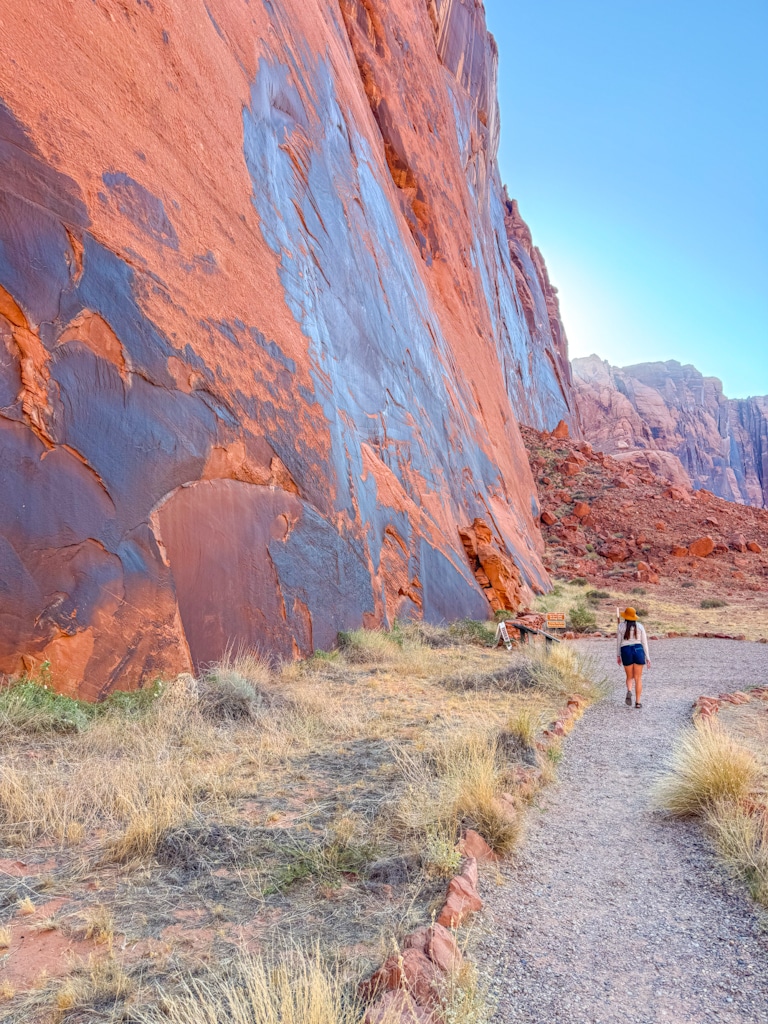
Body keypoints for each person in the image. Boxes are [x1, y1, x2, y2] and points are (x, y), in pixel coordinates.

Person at [617, 607, 650, 708]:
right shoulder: (640, 626)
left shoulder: (621, 626)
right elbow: (644, 642)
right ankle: (638, 702)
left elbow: (618, 642)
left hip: (625, 650)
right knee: (638, 678)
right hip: (638, 650)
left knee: (629, 677)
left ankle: (629, 690)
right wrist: (648, 657)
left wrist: (618, 655)